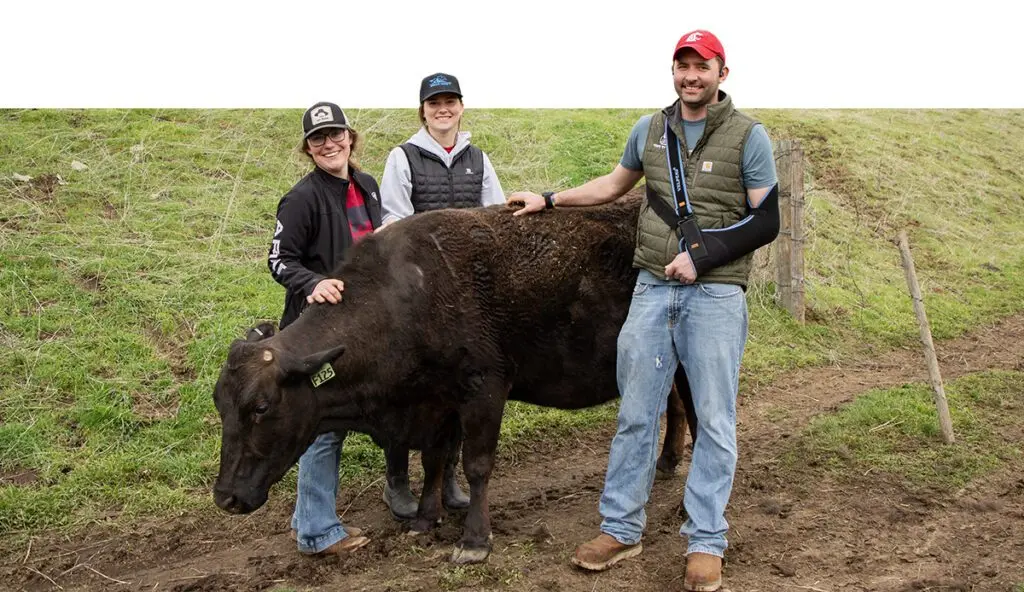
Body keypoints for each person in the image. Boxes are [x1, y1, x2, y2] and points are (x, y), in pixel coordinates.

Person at [507, 30, 779, 591]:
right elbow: (613, 184)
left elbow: (766, 221)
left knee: (715, 419)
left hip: (716, 296)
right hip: (653, 291)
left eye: (701, 67)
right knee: (636, 413)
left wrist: (703, 255)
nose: (690, 76)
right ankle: (621, 528)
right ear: (673, 72)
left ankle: (706, 540)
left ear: (722, 73)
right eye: (682, 66)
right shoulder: (651, 130)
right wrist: (550, 199)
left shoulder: (749, 137)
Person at [376, 72, 505, 519]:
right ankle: (396, 481)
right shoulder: (403, 157)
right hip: (418, 294)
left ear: (461, 107)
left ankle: (446, 478)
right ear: (423, 110)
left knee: (456, 389)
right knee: (405, 389)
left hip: (466, 298)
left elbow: (496, 218)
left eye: (449, 101)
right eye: (434, 103)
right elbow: (394, 222)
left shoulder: (478, 158)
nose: (443, 109)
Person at [267, 101, 380, 556]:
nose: (329, 144)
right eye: (318, 139)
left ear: (350, 137)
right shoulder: (301, 199)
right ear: (307, 149)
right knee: (323, 426)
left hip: (356, 328)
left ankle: (304, 520)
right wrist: (313, 282)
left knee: (331, 420)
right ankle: (316, 532)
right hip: (312, 332)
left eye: (336, 134)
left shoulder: (367, 186)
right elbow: (278, 261)